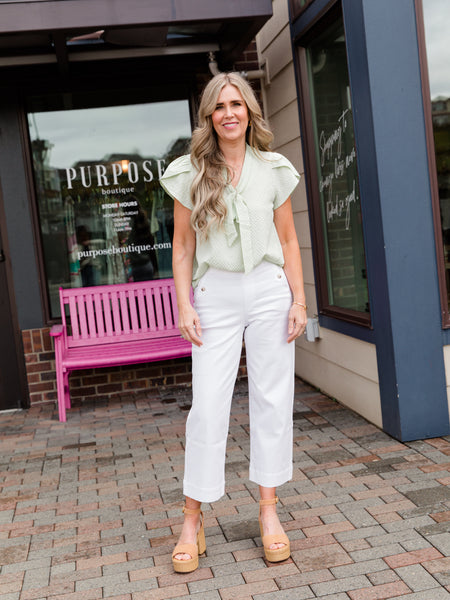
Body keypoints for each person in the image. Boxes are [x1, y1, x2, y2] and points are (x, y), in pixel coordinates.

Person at [160, 72, 307, 574]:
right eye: (219, 106)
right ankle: (191, 519)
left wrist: (299, 300)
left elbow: (288, 241)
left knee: (272, 398)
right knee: (207, 408)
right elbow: (181, 248)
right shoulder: (190, 171)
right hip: (215, 295)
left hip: (269, 289)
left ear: (249, 111)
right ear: (208, 116)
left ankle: (269, 512)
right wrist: (184, 305)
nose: (229, 112)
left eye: (237, 103)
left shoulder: (274, 168)